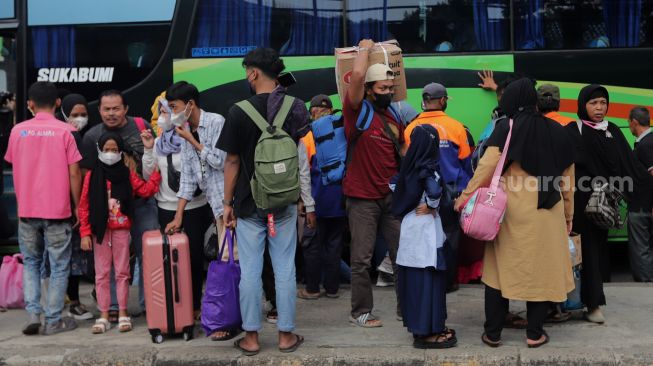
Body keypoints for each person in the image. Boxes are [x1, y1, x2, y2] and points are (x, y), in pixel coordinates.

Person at [455, 78, 576, 348]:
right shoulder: (558, 131)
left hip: (510, 212)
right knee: (540, 271)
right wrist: (568, 215)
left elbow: (485, 169)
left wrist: (464, 198)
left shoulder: (505, 128)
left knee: (499, 272)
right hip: (547, 212)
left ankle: (493, 333)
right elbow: (568, 182)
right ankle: (534, 334)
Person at [218, 47, 308, 355]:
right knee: (284, 268)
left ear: (254, 73)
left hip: (247, 202)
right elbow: (301, 155)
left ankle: (252, 338)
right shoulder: (296, 106)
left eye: (247, 71)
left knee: (251, 271)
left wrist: (227, 203)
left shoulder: (237, 111)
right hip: (283, 200)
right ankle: (285, 336)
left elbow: (231, 162)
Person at [566, 84, 652, 323]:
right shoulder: (574, 130)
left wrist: (645, 187)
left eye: (603, 103)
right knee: (575, 254)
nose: (599, 108)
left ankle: (592, 303)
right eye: (594, 103)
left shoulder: (612, 129)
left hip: (603, 206)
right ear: (583, 105)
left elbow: (630, 166)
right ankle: (571, 303)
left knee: (595, 253)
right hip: (578, 204)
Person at [5, 81, 82, 335]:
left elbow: (14, 163)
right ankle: (53, 320)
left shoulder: (17, 131)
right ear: (58, 103)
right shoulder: (66, 131)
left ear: (30, 104)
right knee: (59, 265)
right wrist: (77, 205)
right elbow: (74, 174)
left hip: (26, 211)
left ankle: (33, 314)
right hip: (58, 211)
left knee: (31, 262)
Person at [153, 82, 227, 334]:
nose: (171, 114)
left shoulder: (216, 122)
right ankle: (225, 318)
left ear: (190, 105)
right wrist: (178, 217)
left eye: (174, 107)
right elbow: (187, 180)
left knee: (233, 263)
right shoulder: (183, 129)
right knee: (225, 261)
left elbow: (220, 161)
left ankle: (232, 321)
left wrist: (193, 141)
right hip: (217, 208)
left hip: (229, 205)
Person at [342, 39, 405, 328]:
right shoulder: (356, 111)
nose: (388, 93)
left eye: (391, 89)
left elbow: (400, 154)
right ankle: (361, 312)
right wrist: (365, 50)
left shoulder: (393, 116)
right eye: (382, 89)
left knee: (403, 257)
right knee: (362, 260)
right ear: (368, 90)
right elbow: (355, 76)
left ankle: (408, 309)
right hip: (362, 199)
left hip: (390, 199)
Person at [82, 89, 159, 319]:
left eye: (116, 108)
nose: (111, 113)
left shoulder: (141, 126)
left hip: (142, 203)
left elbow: (154, 157)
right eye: (106, 109)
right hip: (109, 213)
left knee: (149, 254)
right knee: (111, 262)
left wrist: (156, 178)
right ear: (99, 110)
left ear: (125, 109)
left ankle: (151, 305)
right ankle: (113, 307)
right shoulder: (91, 137)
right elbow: (87, 179)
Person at [404, 82, 472, 292]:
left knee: (424, 238)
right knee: (450, 235)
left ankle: (428, 281)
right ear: (442, 101)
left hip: (421, 195)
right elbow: (466, 163)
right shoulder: (456, 127)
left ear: (424, 102)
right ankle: (449, 281)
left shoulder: (411, 128)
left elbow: (406, 163)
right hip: (450, 193)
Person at [392, 124, 456, 349]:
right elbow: (435, 191)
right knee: (430, 281)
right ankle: (429, 332)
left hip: (410, 229)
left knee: (414, 282)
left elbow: (393, 186)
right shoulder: (428, 166)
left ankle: (419, 328)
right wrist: (431, 205)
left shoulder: (408, 166)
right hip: (426, 230)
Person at [297, 94, 345, 300]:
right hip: (341, 201)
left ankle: (313, 288)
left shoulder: (309, 137)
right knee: (334, 245)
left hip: (316, 202)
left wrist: (303, 201)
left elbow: (303, 173)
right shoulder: (342, 132)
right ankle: (332, 289)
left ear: (313, 111)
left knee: (312, 246)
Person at [59, 93, 93, 321]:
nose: (79, 119)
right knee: (71, 257)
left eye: (83, 114)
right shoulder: (71, 136)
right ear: (64, 114)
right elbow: (77, 173)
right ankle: (72, 302)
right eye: (74, 115)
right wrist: (78, 205)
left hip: (54, 204)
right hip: (69, 206)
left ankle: (60, 303)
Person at [627, 106, 653, 282]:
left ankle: (646, 287)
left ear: (634, 123)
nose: (629, 127)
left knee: (641, 249)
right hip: (645, 204)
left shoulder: (646, 145)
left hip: (643, 206)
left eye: (629, 124)